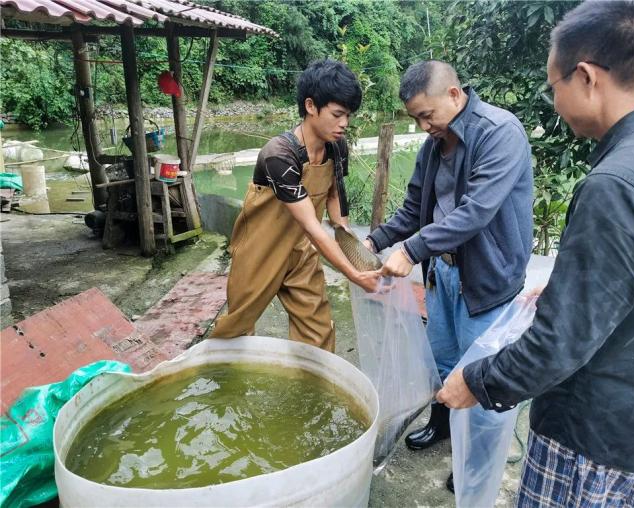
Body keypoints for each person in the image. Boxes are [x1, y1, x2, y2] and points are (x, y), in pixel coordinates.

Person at [437, 1, 634, 505]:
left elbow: (561, 342)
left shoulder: (617, 183)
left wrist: (478, 381)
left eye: (555, 87)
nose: (556, 102)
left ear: (587, 76)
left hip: (589, 436)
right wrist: (574, 279)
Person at [365, 60, 534, 491]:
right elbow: (413, 207)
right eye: (415, 118)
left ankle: (475, 467)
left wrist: (412, 250)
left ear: (455, 95)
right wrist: (377, 240)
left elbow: (475, 211)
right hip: (443, 275)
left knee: (480, 382)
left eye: (427, 114)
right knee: (442, 365)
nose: (423, 126)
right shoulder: (433, 146)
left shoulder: (499, 133)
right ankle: (442, 426)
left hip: (488, 283)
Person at [210, 59, 380, 352]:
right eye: (338, 114)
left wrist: (352, 246)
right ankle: (219, 383)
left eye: (348, 116)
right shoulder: (279, 153)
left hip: (301, 250)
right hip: (260, 249)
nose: (344, 124)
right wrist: (352, 274)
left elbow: (334, 198)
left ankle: (312, 389)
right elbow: (312, 225)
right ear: (311, 106)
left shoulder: (336, 147)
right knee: (235, 330)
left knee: (317, 331)